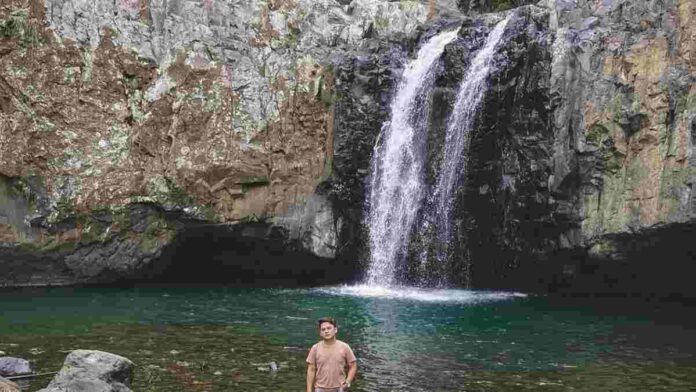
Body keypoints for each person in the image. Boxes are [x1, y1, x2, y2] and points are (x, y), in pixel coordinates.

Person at [306, 317, 357, 392]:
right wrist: (309, 390)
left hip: (340, 388)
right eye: (323, 329)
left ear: (335, 330)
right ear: (320, 333)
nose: (326, 331)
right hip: (320, 388)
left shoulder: (344, 347)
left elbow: (353, 366)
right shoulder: (315, 348)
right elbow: (311, 370)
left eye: (329, 328)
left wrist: (347, 382)